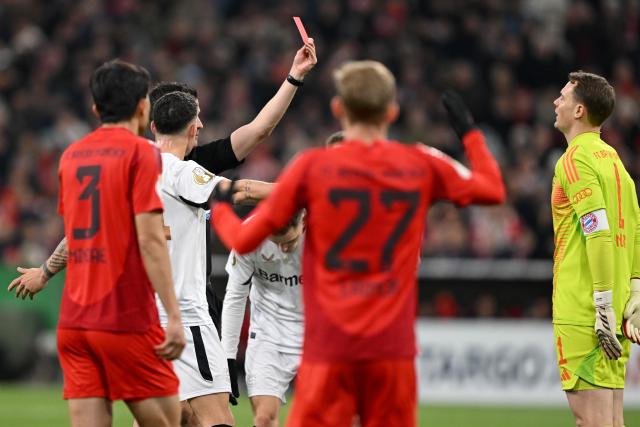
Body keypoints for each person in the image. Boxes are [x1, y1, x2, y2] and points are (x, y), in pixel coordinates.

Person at [209, 60, 505, 426]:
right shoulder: (422, 162)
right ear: (392, 111)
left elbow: (241, 238)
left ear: (339, 109)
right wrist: (471, 135)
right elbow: (492, 189)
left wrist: (221, 206)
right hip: (391, 348)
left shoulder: (310, 167)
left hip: (330, 346)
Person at [10, 59, 186, 427]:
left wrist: (44, 273)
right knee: (172, 421)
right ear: (143, 106)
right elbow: (151, 239)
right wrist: (172, 314)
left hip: (75, 325)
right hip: (124, 319)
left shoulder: (72, 155)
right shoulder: (142, 153)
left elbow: (78, 232)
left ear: (95, 109)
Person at [550, 71, 640, 427]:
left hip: (586, 310)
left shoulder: (574, 161)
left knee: (592, 422)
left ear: (579, 111)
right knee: (612, 421)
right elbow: (635, 228)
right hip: (616, 309)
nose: (556, 102)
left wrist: (601, 303)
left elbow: (598, 232)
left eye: (563, 97)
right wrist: (634, 290)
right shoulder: (617, 164)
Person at [222, 211, 305, 427]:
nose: (284, 249)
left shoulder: (326, 231)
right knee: (263, 419)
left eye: (290, 241)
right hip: (268, 333)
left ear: (303, 223)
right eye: (276, 243)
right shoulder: (249, 236)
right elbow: (235, 296)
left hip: (318, 335)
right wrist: (228, 358)